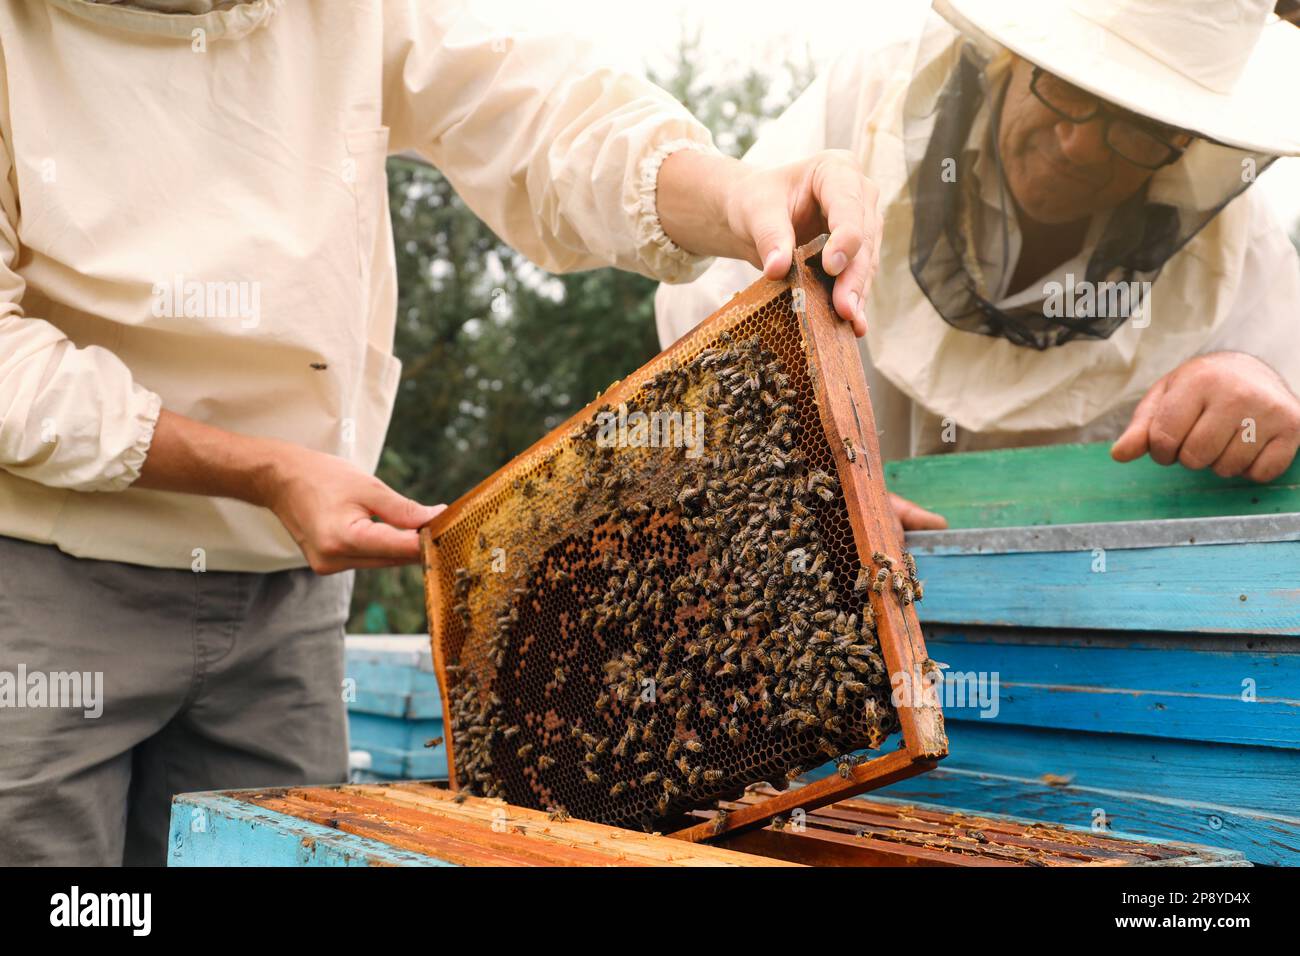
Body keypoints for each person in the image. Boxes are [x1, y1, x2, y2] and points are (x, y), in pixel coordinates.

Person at [0, 0, 881, 865]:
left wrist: (735, 193)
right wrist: (266, 472)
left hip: (291, 589)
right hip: (48, 583)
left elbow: (536, 109)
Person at [656, 0, 1300, 532]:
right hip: (805, 560)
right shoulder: (869, 99)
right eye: (1066, 87)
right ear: (1015, 55)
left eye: (1139, 127)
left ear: (1188, 141)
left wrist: (1261, 385)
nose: (1077, 145)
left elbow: (1277, 404)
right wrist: (799, 468)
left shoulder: (1245, 252)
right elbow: (712, 304)